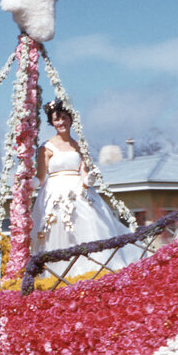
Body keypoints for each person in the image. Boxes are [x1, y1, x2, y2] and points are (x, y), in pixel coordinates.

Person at [31, 100, 139, 275]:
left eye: (64, 118)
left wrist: (89, 178)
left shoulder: (80, 145)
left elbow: (84, 172)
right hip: (54, 194)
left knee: (90, 225)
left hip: (79, 193)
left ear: (70, 120)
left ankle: (92, 270)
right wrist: (28, 184)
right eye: (56, 119)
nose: (61, 122)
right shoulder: (46, 148)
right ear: (52, 123)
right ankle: (58, 272)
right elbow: (41, 177)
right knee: (57, 229)